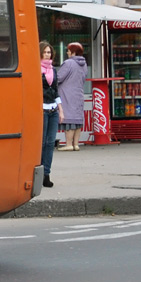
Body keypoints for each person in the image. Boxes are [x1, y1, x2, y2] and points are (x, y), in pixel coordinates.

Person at [56, 42, 88, 151]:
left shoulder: (68, 63)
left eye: (69, 50)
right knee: (78, 119)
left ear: (73, 52)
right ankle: (76, 144)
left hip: (67, 94)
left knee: (69, 119)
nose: (67, 52)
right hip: (78, 93)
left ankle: (68, 144)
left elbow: (59, 78)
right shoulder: (84, 64)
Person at [40, 42, 60, 187]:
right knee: (41, 143)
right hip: (41, 109)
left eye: (49, 52)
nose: (48, 54)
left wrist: (61, 109)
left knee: (50, 143)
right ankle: (39, 174)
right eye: (45, 52)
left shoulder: (53, 70)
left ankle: (47, 174)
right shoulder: (36, 69)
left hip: (53, 109)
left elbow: (56, 90)